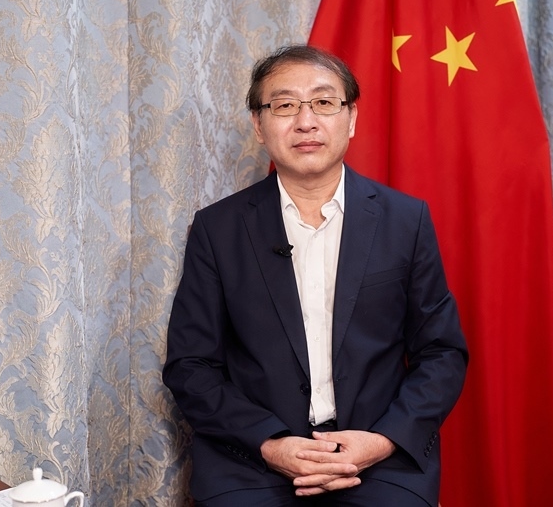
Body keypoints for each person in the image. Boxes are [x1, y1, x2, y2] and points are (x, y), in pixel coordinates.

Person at [162, 44, 468, 507]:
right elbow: (191, 366)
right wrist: (270, 443)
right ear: (259, 125)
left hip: (376, 453)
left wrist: (381, 440)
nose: (306, 122)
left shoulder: (406, 221)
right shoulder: (217, 229)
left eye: (324, 102)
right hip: (253, 459)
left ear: (351, 118)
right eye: (285, 106)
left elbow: (442, 353)